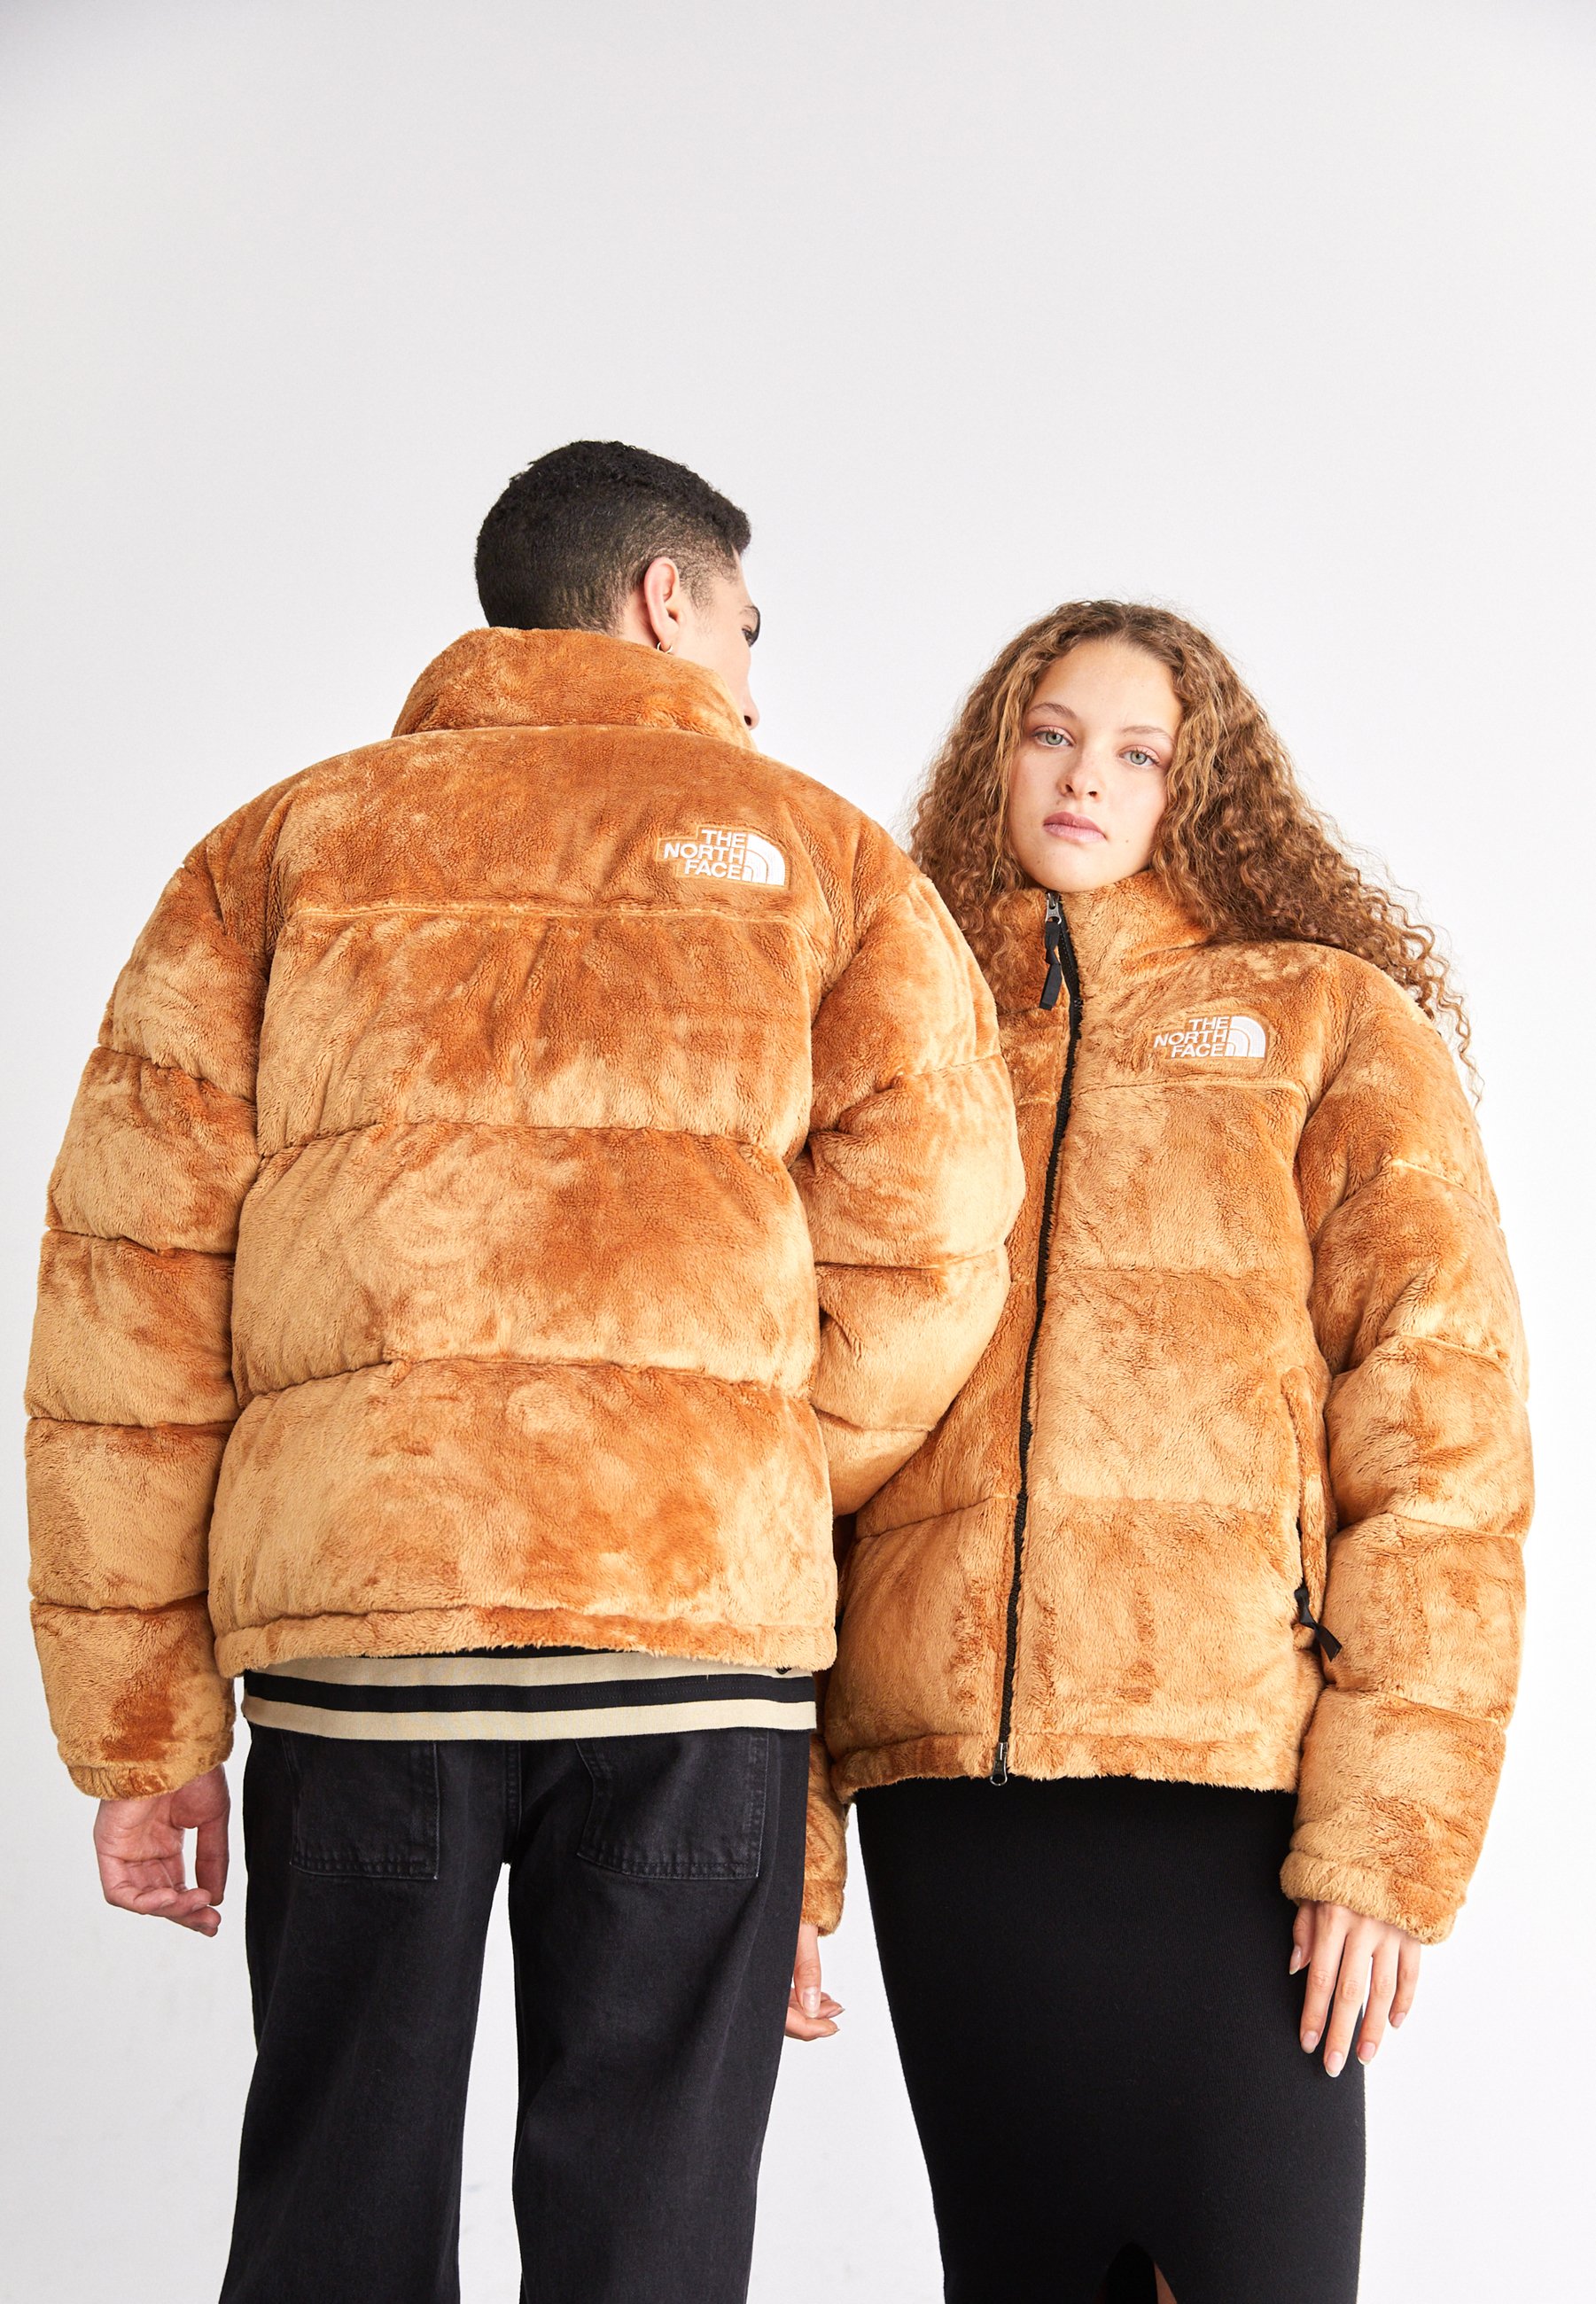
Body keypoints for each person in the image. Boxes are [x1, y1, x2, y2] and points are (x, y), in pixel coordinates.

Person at [24, 440, 1024, 2304]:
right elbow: (941, 1243)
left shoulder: (278, 851)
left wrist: (143, 1731)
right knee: (651, 2237)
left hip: (363, 1656)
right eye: (745, 624)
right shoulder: (829, 863)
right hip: (689, 1652)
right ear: (664, 598)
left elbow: (127, 1299)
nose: (752, 676)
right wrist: (730, 1458)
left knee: (334, 2214)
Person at [801, 602, 1531, 2304]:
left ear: (1202, 795)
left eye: (1141, 754)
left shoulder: (1321, 1018)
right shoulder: (904, 1034)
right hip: (946, 1794)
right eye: (1053, 734)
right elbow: (799, 1434)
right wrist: (796, 1836)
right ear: (995, 757)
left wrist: (1386, 1835)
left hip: (1224, 1788)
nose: (1086, 778)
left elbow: (1440, 1430)